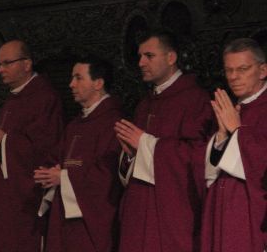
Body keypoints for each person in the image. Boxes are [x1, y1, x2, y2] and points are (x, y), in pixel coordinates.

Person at [114, 30, 213, 252]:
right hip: (139, 209)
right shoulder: (144, 104)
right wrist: (129, 154)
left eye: (149, 56)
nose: (141, 62)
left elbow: (198, 156)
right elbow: (137, 153)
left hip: (171, 211)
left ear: (171, 58)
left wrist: (147, 144)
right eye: (140, 56)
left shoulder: (195, 99)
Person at [0, 39, 64, 252]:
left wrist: (5, 142)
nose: (0, 70)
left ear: (27, 64)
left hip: (23, 198)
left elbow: (46, 145)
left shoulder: (44, 97)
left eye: (7, 63)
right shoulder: (13, 99)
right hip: (2, 194)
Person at [35, 55, 123, 252]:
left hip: (93, 221)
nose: (71, 84)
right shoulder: (75, 125)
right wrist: (51, 174)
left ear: (98, 83)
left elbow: (108, 177)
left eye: (78, 78)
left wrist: (64, 178)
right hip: (65, 215)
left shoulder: (114, 123)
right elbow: (61, 160)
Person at [201, 38, 267, 252]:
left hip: (251, 209)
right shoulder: (232, 108)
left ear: (263, 70)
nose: (233, 77)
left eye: (242, 69)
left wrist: (238, 131)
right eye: (229, 70)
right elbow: (211, 172)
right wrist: (221, 136)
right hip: (223, 205)